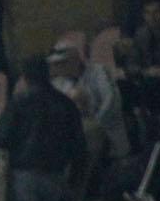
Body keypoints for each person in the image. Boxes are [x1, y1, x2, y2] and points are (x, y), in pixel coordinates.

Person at [0, 53, 85, 201]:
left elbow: (2, 138)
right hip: (55, 176)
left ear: (25, 77)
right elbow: (79, 147)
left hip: (24, 176)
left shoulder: (18, 103)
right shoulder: (66, 104)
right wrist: (74, 181)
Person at [50, 41, 128, 189]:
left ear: (74, 60)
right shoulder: (59, 84)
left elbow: (111, 101)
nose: (59, 68)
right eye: (57, 65)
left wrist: (95, 120)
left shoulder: (98, 72)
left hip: (107, 130)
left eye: (63, 63)